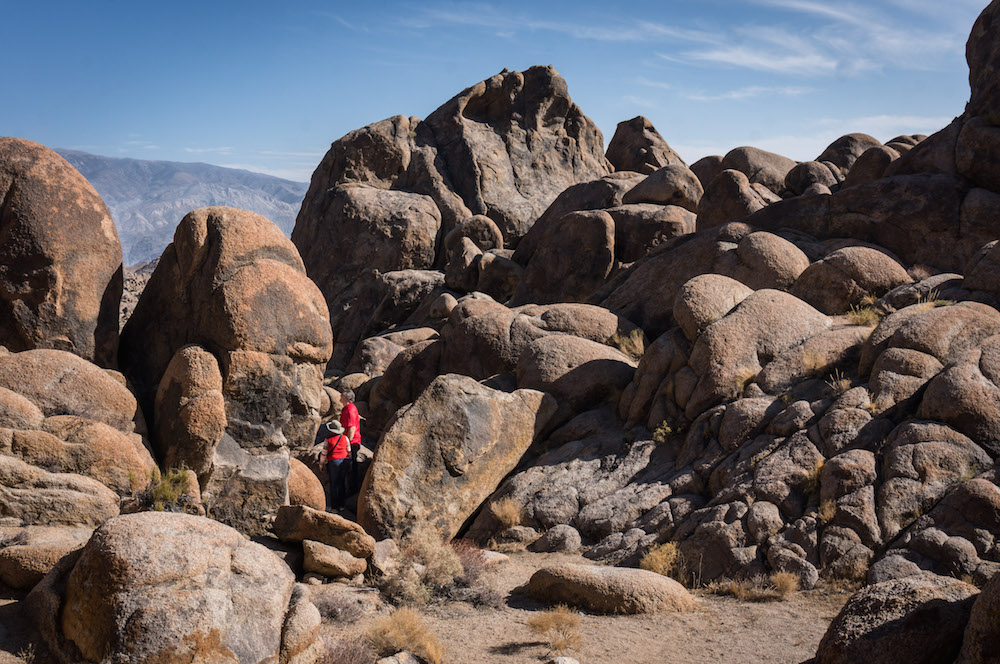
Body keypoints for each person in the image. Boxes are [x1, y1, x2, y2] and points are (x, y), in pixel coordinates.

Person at [318, 419, 351, 510]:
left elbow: (324, 453)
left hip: (334, 462)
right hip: (345, 460)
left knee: (334, 484)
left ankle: (334, 507)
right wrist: (350, 461)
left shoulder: (328, 439)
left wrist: (321, 464)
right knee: (342, 483)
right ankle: (342, 505)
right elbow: (349, 451)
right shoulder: (345, 438)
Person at [339, 389, 362, 492]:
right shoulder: (346, 408)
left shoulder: (350, 409)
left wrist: (347, 443)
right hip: (349, 441)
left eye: (342, 395)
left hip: (352, 443)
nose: (340, 395)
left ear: (348, 398)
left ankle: (353, 490)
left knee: (352, 466)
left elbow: (351, 428)